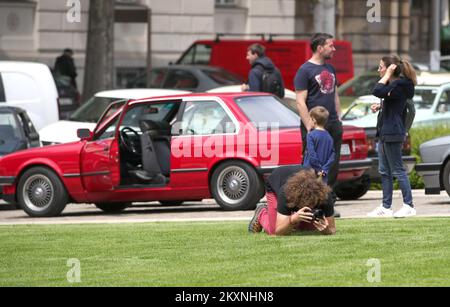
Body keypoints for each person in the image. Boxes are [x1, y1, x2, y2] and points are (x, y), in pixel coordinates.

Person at [294, 33, 342, 208]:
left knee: (332, 164)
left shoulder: (331, 69)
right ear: (320, 48)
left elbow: (335, 95)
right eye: (331, 45)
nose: (334, 49)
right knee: (312, 165)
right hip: (314, 127)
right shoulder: (304, 70)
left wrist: (339, 118)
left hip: (332, 125)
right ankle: (308, 202)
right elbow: (300, 101)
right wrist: (310, 126)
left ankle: (328, 200)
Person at [367, 55, 417, 218]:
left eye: (381, 67)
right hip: (385, 132)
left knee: (398, 170)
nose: (379, 70)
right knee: (384, 171)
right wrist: (380, 106)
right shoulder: (394, 86)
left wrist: (387, 74)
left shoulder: (400, 85)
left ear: (391, 69)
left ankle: (409, 205)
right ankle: (386, 207)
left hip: (393, 132)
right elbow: (390, 100)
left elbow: (377, 91)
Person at [248, 166, 336, 236]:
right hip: (276, 183)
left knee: (310, 228)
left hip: (299, 186)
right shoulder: (285, 193)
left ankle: (294, 221)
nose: (309, 208)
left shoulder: (325, 195)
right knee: (273, 231)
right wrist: (293, 219)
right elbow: (278, 231)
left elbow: (332, 229)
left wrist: (326, 230)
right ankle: (261, 213)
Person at [303, 106, 335, 183]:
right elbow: (332, 156)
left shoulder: (311, 135)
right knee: (321, 192)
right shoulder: (329, 137)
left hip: (310, 171)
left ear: (314, 120)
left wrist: (318, 169)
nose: (309, 121)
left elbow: (312, 155)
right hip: (323, 174)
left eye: (310, 119)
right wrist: (324, 169)